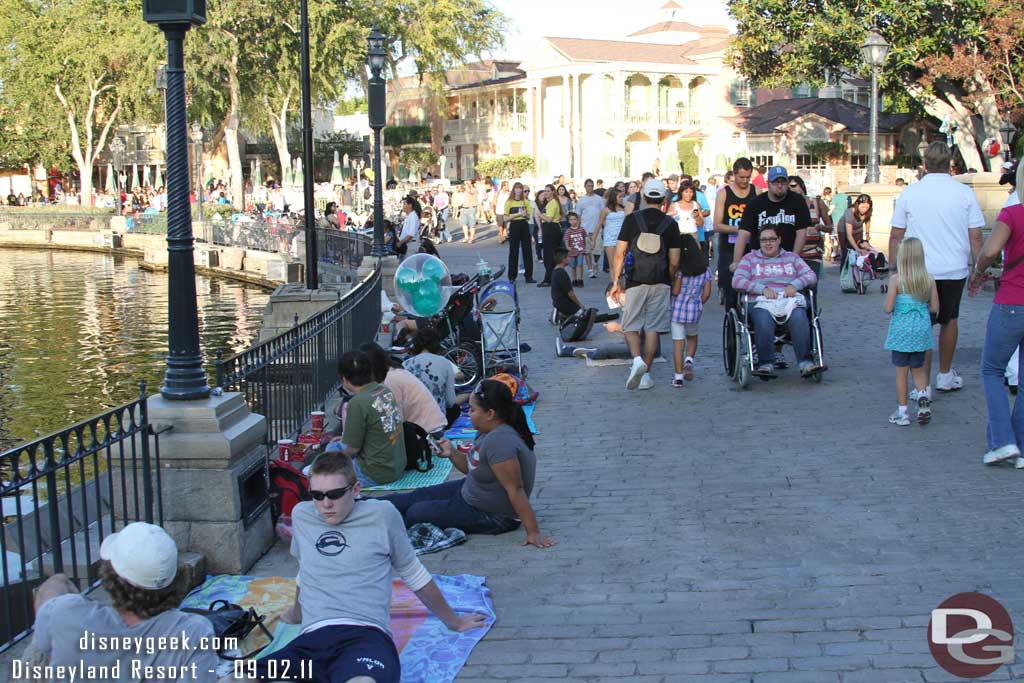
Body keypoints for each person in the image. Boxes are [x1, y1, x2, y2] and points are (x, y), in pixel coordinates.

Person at [266, 453, 487, 683]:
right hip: (313, 639)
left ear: (356, 489)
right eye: (317, 495)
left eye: (335, 494)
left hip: (366, 636)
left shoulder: (382, 515)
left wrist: (455, 621)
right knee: (241, 676)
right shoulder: (303, 515)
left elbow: (414, 573)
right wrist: (296, 613)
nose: (326, 504)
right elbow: (306, 570)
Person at [27, 523, 218, 683]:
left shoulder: (63, 614)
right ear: (176, 579)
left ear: (110, 574)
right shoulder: (194, 633)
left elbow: (53, 587)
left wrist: (68, 590)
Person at [381, 380, 556, 548]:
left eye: (472, 410)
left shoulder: (500, 441)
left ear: (490, 414)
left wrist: (533, 532)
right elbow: (474, 469)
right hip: (470, 491)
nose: (468, 413)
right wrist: (451, 453)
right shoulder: (486, 430)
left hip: (493, 515)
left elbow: (516, 489)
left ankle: (375, 525)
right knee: (413, 497)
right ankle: (362, 506)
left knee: (415, 513)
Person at [890, 141, 986, 395]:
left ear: (924, 164)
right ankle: (945, 374)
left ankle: (924, 384)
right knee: (949, 319)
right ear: (950, 164)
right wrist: (978, 268)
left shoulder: (910, 193)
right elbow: (976, 236)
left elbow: (895, 235)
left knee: (923, 324)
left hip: (921, 269)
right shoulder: (964, 193)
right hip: (954, 267)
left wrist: (894, 269)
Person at [969, 159, 1024, 465]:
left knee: (992, 370)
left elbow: (990, 250)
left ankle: (1002, 440)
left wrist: (979, 270)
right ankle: (1020, 446)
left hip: (1013, 302)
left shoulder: (1013, 213)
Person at [610, 178, 682, 390]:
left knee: (630, 325)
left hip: (635, 280)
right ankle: (646, 375)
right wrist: (668, 276)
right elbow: (675, 260)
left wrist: (616, 280)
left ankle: (636, 360)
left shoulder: (632, 220)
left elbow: (619, 252)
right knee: (653, 329)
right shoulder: (671, 224)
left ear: (643, 197)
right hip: (660, 281)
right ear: (663, 200)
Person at [731, 224, 820, 377]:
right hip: (761, 301)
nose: (768, 243)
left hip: (788, 300)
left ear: (779, 240)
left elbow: (811, 276)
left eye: (772, 239)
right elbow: (737, 281)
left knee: (799, 316)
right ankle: (766, 364)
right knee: (763, 318)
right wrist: (761, 289)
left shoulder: (792, 258)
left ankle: (806, 363)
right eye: (763, 240)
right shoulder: (750, 259)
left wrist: (795, 284)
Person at [324, 351, 406, 486]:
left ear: (344, 379)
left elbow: (353, 449)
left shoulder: (357, 403)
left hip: (374, 473)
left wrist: (335, 461)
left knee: (330, 451)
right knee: (337, 445)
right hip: (396, 466)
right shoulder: (384, 390)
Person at [883, 238, 939, 427]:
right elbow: (935, 308)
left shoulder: (896, 280)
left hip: (901, 333)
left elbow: (888, 307)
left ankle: (903, 412)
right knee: (918, 369)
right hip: (921, 331)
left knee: (901, 373)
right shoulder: (928, 279)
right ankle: (922, 396)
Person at [732, 166, 811, 276]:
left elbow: (801, 233)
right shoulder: (755, 204)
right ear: (768, 183)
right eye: (775, 182)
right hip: (760, 262)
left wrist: (793, 259)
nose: (779, 186)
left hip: (788, 257)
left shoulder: (797, 201)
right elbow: (743, 234)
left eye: (783, 182)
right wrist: (737, 262)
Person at [360, 342, 448, 435]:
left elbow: (395, 420)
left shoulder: (390, 380)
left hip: (428, 431)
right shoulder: (395, 372)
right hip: (431, 426)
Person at [714, 158, 758, 310]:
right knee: (731, 288)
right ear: (734, 174)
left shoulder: (756, 191)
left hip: (751, 247)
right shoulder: (724, 193)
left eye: (748, 177)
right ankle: (731, 318)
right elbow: (717, 225)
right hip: (729, 247)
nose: (745, 181)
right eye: (741, 177)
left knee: (754, 285)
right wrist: (740, 229)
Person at [670, 234, 712, 387]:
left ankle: (678, 377)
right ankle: (689, 360)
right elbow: (707, 294)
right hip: (694, 310)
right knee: (692, 336)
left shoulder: (681, 271)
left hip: (678, 311)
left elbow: (675, 291)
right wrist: (698, 302)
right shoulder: (705, 270)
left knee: (678, 344)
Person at [403, 328, 463, 421]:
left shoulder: (406, 364)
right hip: (437, 420)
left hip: (412, 420)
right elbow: (450, 401)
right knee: (455, 409)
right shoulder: (444, 363)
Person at [788, 175, 833, 281]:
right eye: (788, 188)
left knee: (811, 287)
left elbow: (830, 226)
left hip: (813, 255)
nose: (792, 189)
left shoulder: (816, 202)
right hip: (794, 255)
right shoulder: (787, 206)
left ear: (802, 186)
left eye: (794, 186)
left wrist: (820, 227)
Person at [503, 182, 535, 283]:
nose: (519, 190)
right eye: (517, 188)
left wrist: (524, 214)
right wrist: (517, 214)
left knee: (527, 251)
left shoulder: (525, 201)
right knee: (513, 251)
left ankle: (528, 276)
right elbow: (505, 218)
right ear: (514, 190)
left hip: (524, 225)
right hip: (514, 225)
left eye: (520, 188)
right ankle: (512, 276)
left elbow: (528, 216)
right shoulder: (509, 202)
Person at [593, 188, 627, 281]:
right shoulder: (606, 210)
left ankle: (619, 281)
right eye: (619, 197)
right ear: (613, 198)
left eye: (622, 197)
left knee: (621, 263)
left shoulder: (624, 209)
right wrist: (594, 240)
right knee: (612, 264)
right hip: (610, 239)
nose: (621, 199)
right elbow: (599, 225)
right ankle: (615, 284)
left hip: (621, 238)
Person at [575, 179, 604, 278]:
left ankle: (595, 263)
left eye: (591, 186)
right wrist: (577, 229)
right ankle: (590, 269)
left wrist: (603, 226)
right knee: (587, 251)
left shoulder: (599, 199)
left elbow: (602, 214)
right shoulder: (581, 201)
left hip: (597, 229)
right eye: (588, 186)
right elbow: (578, 216)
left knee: (597, 251)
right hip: (585, 229)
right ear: (585, 187)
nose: (590, 188)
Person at [837, 194, 873, 267]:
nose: (865, 209)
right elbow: (849, 234)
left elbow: (868, 220)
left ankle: (859, 267)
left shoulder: (869, 210)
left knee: (861, 246)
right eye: (862, 207)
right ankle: (845, 270)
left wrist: (867, 234)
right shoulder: (850, 212)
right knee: (847, 251)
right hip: (843, 230)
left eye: (867, 207)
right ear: (857, 204)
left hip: (858, 228)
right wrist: (856, 248)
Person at [538, 186, 563, 287]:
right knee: (549, 254)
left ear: (553, 192)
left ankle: (548, 279)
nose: (546, 193)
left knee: (550, 255)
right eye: (545, 191)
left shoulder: (553, 203)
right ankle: (550, 278)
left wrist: (539, 214)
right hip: (548, 229)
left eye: (548, 191)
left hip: (551, 228)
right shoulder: (548, 203)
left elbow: (549, 219)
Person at [550, 247, 584, 321]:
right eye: (568, 256)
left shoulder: (556, 270)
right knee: (582, 314)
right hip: (562, 302)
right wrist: (579, 304)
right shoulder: (561, 273)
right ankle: (559, 314)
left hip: (558, 300)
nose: (570, 258)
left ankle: (562, 314)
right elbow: (570, 293)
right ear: (563, 259)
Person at [562, 212, 588, 286]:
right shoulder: (568, 231)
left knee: (580, 265)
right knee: (573, 266)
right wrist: (567, 247)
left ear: (577, 220)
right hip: (572, 251)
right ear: (569, 221)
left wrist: (585, 247)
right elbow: (566, 240)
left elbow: (584, 238)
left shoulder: (581, 230)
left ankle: (580, 279)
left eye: (574, 219)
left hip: (580, 250)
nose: (573, 221)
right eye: (571, 220)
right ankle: (574, 279)